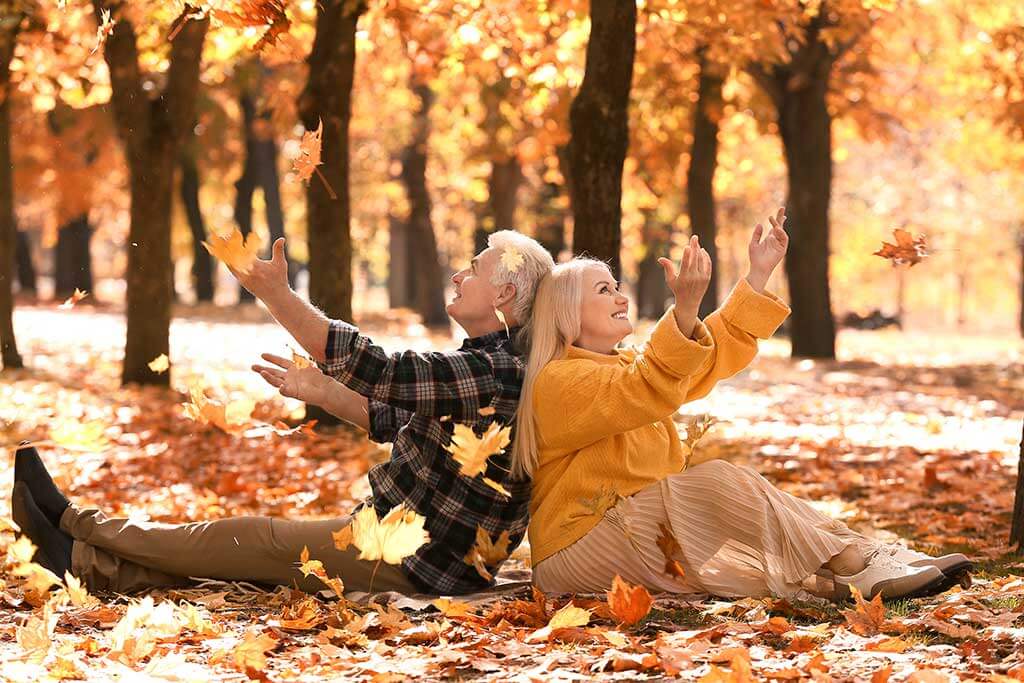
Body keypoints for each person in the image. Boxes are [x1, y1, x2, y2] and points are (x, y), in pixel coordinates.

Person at [11, 230, 554, 596]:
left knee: (251, 540)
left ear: (504, 292)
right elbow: (389, 416)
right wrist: (323, 392)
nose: (458, 276)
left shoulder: (496, 372)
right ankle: (81, 562)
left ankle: (72, 521)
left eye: (473, 270)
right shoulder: (485, 366)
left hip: (420, 563)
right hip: (405, 542)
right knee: (247, 564)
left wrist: (277, 296)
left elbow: (378, 369)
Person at [514, 209, 972, 601]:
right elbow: (645, 386)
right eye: (603, 290)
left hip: (631, 530)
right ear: (567, 313)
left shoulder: (623, 365)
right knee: (715, 481)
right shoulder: (557, 380)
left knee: (740, 494)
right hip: (577, 548)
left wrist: (757, 275)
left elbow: (702, 359)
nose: (620, 296)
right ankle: (854, 564)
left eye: (617, 286)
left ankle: (862, 561)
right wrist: (685, 308)